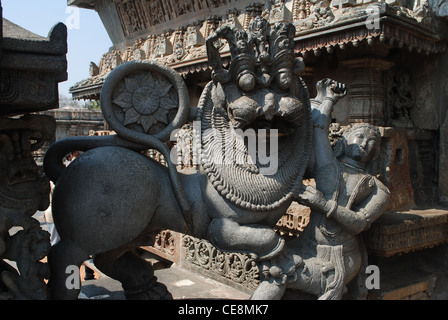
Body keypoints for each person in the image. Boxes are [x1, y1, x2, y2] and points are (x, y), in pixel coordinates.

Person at [251, 79, 391, 300]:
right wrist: (329, 100)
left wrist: (323, 204)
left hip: (339, 257)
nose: (364, 143)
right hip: (308, 245)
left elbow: (360, 224)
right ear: (344, 142)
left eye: (372, 142)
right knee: (273, 268)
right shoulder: (329, 167)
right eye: (360, 137)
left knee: (279, 275)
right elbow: (318, 130)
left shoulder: (378, 189)